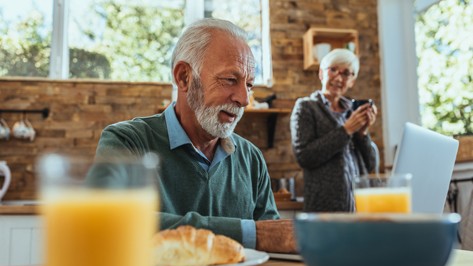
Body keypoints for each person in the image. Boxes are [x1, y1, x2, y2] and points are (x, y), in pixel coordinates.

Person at [94, 18, 296, 253]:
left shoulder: (251, 158)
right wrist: (249, 233)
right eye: (230, 80)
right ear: (184, 77)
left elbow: (276, 241)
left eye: (249, 85)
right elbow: (110, 223)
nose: (243, 99)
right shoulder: (126, 142)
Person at [290, 49, 377, 212]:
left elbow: (370, 164)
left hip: (359, 209)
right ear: (321, 74)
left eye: (346, 73)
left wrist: (362, 133)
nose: (338, 77)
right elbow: (305, 156)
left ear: (352, 81)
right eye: (333, 70)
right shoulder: (306, 107)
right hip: (323, 211)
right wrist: (346, 130)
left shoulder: (352, 112)